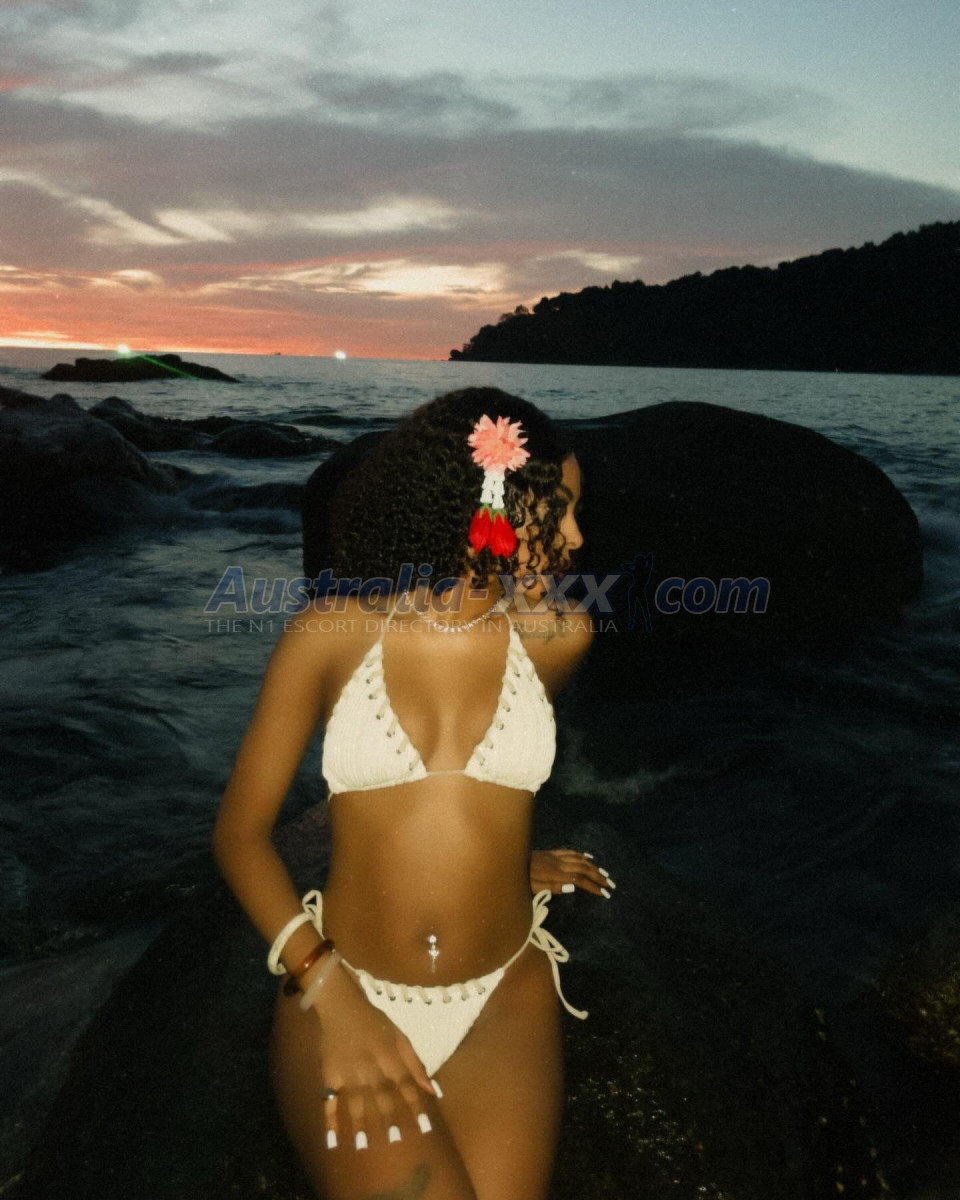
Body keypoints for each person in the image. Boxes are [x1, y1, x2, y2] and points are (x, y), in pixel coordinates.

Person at [211, 387, 613, 1200]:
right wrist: (329, 990)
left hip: (504, 989)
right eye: (559, 509)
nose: (577, 536)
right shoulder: (330, 633)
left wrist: (505, 861)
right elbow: (239, 837)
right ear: (489, 504)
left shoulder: (561, 637)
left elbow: (481, 784)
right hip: (347, 985)